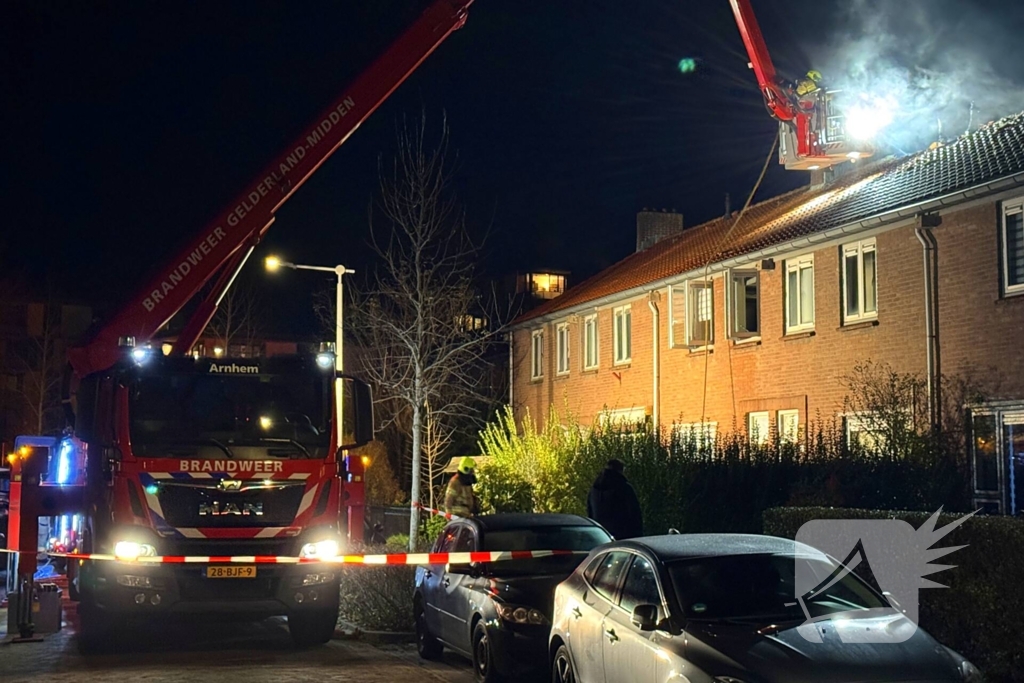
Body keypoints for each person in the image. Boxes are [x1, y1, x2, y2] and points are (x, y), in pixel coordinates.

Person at [587, 459, 643, 539]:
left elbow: (590, 513)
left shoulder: (594, 490)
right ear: (620, 470)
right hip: (623, 534)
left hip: (601, 535)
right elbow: (634, 513)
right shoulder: (624, 488)